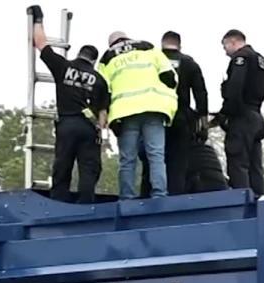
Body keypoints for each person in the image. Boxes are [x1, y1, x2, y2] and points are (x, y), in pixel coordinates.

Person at [27, 6, 107, 203]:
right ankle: (86, 203)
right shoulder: (100, 79)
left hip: (67, 124)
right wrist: (100, 131)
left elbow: (41, 43)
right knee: (89, 169)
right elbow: (103, 115)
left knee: (62, 165)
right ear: (94, 61)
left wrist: (38, 19)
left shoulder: (63, 66)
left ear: (79, 54)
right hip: (89, 128)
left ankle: (59, 202)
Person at [97, 31, 178, 199]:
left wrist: (105, 114)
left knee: (127, 159)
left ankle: (127, 197)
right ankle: (159, 194)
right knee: (156, 155)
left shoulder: (107, 58)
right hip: (153, 108)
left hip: (125, 113)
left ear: (111, 44)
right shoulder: (148, 47)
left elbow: (101, 89)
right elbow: (169, 76)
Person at [140, 31, 209, 196]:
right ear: (179, 45)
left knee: (152, 160)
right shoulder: (189, 63)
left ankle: (148, 197)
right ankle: (175, 197)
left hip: (155, 116)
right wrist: (202, 120)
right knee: (179, 162)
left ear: (162, 43)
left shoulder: (152, 61)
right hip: (181, 118)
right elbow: (200, 93)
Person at [213, 29, 264, 196]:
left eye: (225, 47)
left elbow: (235, 88)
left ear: (233, 42)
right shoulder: (262, 60)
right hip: (256, 117)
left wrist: (224, 114)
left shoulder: (241, 58)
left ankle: (241, 204)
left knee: (238, 164)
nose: (225, 52)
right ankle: (260, 202)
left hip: (241, 118)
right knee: (255, 167)